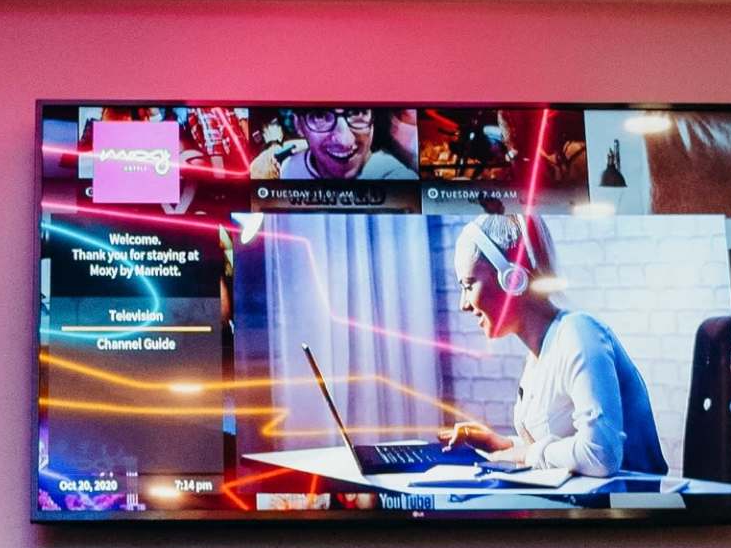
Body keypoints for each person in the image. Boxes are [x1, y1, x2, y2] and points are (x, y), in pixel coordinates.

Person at [449, 212, 661, 480]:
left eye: (468, 285)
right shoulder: (538, 357)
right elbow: (560, 448)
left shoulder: (578, 332)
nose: (463, 304)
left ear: (512, 278)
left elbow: (601, 454)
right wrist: (501, 445)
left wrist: (523, 455)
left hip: (633, 513)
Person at [250, 104, 410, 182]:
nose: (345, 141)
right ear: (298, 125)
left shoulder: (397, 177)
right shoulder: (283, 169)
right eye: (320, 115)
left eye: (357, 112)